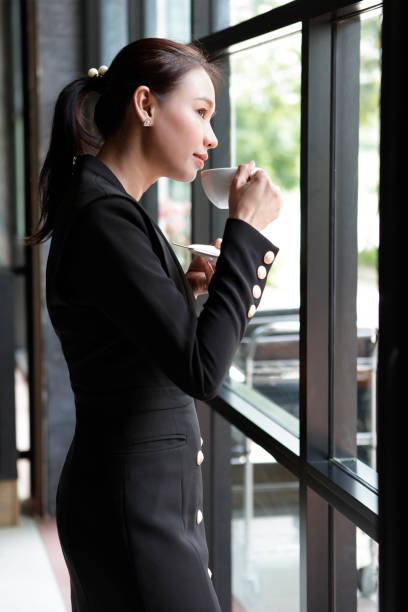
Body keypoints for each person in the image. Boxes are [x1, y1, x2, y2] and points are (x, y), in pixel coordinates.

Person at [27, 38, 282, 612]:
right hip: (133, 508)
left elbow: (152, 340)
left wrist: (187, 289)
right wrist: (247, 232)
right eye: (201, 112)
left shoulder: (110, 208)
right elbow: (201, 369)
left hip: (137, 500)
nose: (212, 137)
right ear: (145, 105)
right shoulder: (104, 216)